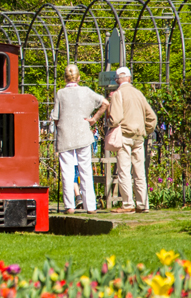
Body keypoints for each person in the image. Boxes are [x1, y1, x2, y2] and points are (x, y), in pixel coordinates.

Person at [48, 64, 107, 214]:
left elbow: (55, 117)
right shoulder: (86, 91)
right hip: (83, 134)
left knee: (67, 172)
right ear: (79, 78)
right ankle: (91, 206)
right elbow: (105, 103)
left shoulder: (60, 93)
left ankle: (70, 206)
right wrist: (94, 118)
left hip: (65, 136)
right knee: (85, 170)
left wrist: (62, 125)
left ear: (64, 78)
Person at [107, 66, 158, 213]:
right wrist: (146, 130)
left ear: (117, 80)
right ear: (129, 78)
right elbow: (152, 117)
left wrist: (110, 122)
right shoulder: (138, 94)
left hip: (124, 136)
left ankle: (128, 204)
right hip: (139, 137)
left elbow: (115, 119)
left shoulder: (118, 94)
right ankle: (143, 204)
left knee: (124, 170)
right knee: (140, 171)